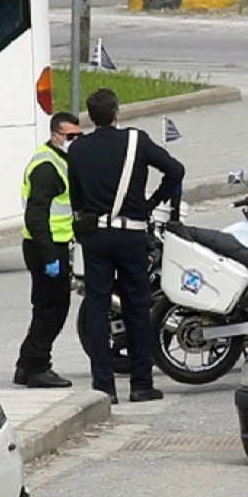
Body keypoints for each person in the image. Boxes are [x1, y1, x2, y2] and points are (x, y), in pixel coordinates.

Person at [67, 88, 185, 404]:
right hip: (132, 234)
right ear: (116, 113)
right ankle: (141, 385)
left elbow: (76, 197)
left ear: (90, 117)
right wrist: (150, 203)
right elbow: (176, 171)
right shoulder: (136, 140)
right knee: (136, 306)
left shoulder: (78, 150)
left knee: (97, 306)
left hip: (96, 236)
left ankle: (104, 387)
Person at [13, 112, 82, 389]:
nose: (74, 141)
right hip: (46, 246)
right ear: (55, 135)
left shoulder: (59, 159)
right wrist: (50, 256)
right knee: (52, 309)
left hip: (52, 243)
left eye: (78, 136)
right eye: (69, 137)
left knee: (46, 307)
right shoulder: (46, 167)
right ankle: (38, 368)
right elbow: (35, 215)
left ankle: (26, 364)